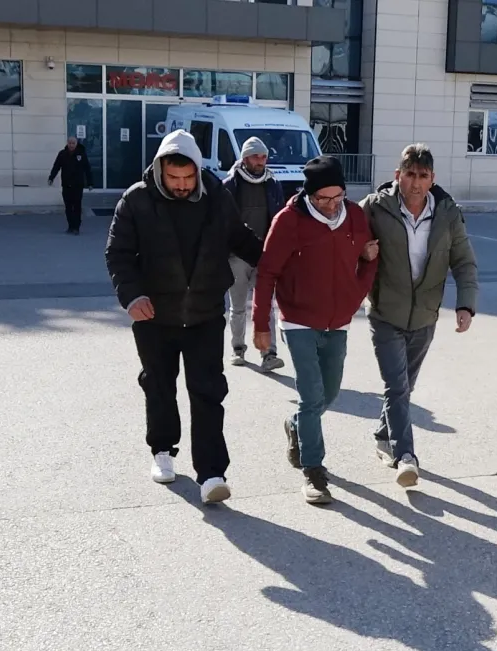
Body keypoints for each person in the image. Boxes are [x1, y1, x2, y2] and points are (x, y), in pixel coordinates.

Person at [104, 129, 263, 505]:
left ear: (197, 170)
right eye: (173, 177)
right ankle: (162, 450)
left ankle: (212, 473)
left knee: (208, 391)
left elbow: (240, 239)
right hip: (154, 316)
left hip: (205, 314)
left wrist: (277, 262)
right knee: (159, 386)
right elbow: (118, 253)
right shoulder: (136, 200)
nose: (180, 185)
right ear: (160, 170)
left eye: (187, 177)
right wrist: (131, 296)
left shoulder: (216, 197)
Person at [253, 156, 378, 505]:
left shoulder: (354, 216)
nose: (332, 204)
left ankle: (296, 426)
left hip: (339, 320)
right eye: (323, 198)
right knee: (311, 396)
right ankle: (314, 471)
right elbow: (266, 273)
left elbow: (370, 256)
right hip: (298, 320)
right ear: (309, 194)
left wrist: (357, 292)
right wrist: (260, 324)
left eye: (338, 196)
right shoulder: (288, 220)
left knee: (330, 394)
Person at [359, 144, 478, 488]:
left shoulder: (447, 214)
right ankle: (406, 456)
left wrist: (466, 304)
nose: (415, 182)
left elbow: (464, 261)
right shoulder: (374, 208)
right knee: (397, 386)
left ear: (432, 179)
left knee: (405, 386)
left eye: (422, 176)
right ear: (398, 175)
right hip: (385, 312)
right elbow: (346, 243)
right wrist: (362, 254)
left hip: (425, 315)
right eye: (409, 174)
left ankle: (383, 435)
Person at [223, 136, 286, 373]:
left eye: (263, 157)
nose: (260, 161)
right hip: (237, 256)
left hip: (264, 255)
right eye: (255, 156)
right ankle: (238, 349)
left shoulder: (273, 184)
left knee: (265, 307)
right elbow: (221, 222)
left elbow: (280, 219)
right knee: (238, 306)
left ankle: (269, 354)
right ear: (244, 158)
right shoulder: (229, 185)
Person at [48, 136, 93, 235]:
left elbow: (87, 169)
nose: (71, 145)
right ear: (67, 143)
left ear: (76, 144)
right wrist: (51, 178)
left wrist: (90, 183)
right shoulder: (62, 154)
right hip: (66, 184)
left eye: (73, 143)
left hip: (77, 185)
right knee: (68, 207)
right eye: (70, 143)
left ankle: (76, 227)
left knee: (77, 206)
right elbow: (56, 167)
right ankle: (70, 226)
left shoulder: (81, 154)